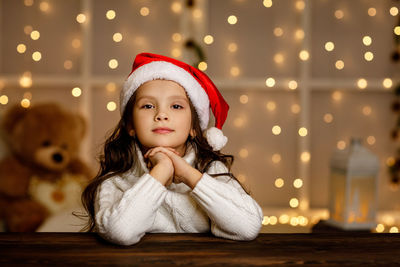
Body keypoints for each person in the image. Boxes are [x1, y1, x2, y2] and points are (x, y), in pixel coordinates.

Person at [81, 53, 263, 246]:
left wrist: (187, 174)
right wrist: (160, 172)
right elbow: (120, 232)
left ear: (194, 127)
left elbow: (248, 226)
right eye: (148, 105)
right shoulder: (115, 181)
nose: (161, 114)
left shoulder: (212, 170)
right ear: (130, 125)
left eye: (176, 106)